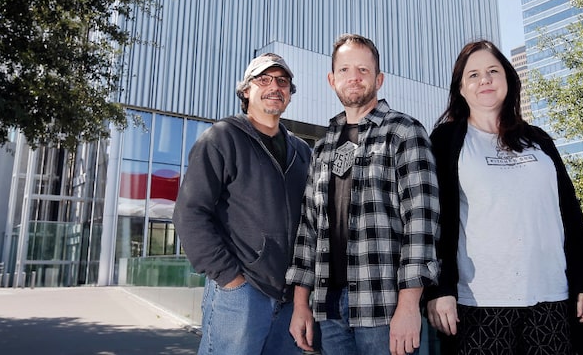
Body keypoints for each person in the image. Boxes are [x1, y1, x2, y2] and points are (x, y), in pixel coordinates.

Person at [425, 40, 583, 355]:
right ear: (461, 89)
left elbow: (571, 217)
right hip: (480, 304)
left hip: (553, 298)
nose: (485, 80)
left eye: (493, 71)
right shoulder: (446, 140)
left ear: (508, 79)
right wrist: (439, 290)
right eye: (474, 75)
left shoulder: (538, 140)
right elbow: (432, 222)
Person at [286, 33, 440, 355]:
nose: (353, 77)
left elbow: (421, 224)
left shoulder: (404, 132)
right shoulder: (324, 146)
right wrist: (302, 303)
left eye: (363, 70)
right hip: (329, 311)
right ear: (331, 80)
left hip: (384, 308)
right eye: (344, 70)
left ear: (379, 79)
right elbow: (308, 230)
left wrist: (410, 304)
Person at [172, 53, 312, 355]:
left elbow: (311, 223)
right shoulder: (222, 138)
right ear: (246, 90)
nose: (275, 86)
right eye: (264, 79)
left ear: (289, 94)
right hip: (240, 293)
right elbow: (190, 214)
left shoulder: (302, 152)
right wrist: (230, 279)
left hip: (290, 300)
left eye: (282, 81)